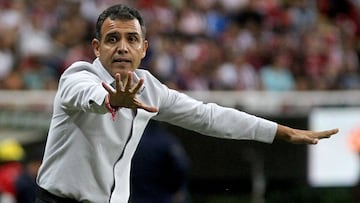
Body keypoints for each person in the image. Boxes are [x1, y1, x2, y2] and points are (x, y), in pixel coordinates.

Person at [35, 4, 339, 203]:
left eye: (131, 39)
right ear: (97, 48)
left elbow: (209, 117)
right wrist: (113, 99)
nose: (123, 47)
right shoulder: (78, 75)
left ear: (144, 48)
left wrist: (279, 131)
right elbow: (88, 97)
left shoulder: (150, 88)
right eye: (113, 39)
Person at [130, 120, 189, 203]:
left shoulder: (134, 142)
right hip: (162, 196)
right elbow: (180, 166)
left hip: (137, 196)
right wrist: (177, 189)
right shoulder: (167, 141)